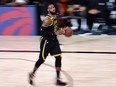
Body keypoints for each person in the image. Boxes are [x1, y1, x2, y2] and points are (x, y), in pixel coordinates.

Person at [28, 3, 67, 86]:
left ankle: (58, 79)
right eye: (51, 8)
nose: (53, 8)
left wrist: (61, 30)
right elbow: (42, 31)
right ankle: (32, 74)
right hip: (46, 41)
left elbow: (55, 28)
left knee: (58, 58)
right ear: (48, 10)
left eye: (53, 7)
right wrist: (55, 33)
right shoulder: (47, 19)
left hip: (54, 41)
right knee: (41, 60)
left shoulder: (55, 16)